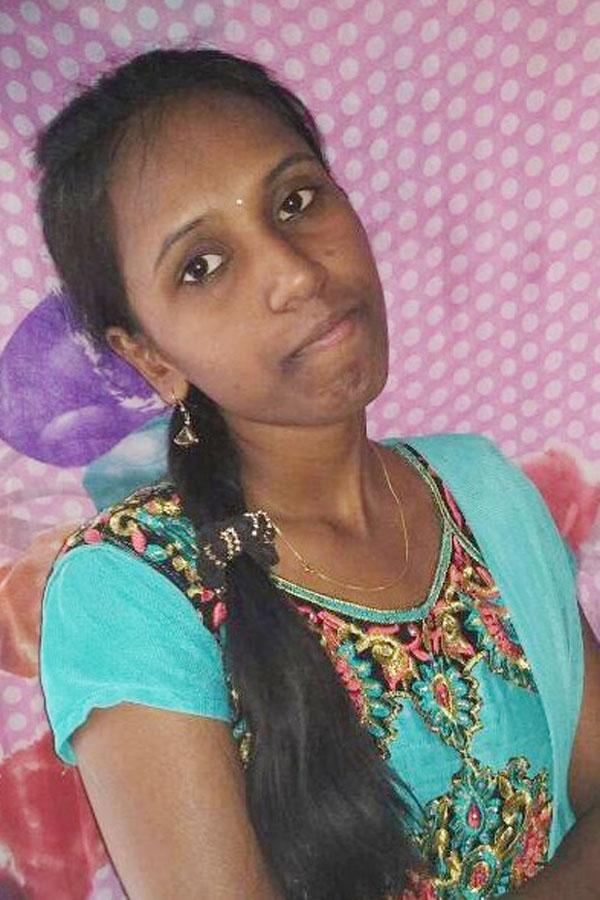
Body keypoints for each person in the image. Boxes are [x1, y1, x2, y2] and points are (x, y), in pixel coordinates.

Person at [36, 47, 599, 900]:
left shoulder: (483, 491)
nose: (297, 273)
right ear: (152, 357)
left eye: (295, 201)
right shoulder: (131, 590)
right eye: (202, 265)